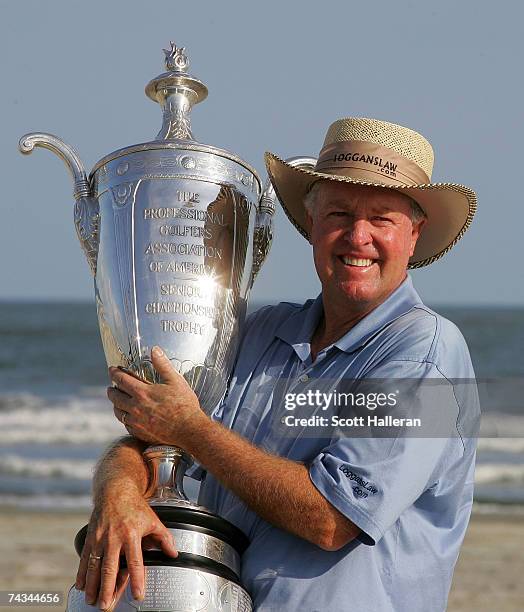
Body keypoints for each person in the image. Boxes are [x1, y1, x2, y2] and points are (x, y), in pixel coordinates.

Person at [75, 117, 479, 611]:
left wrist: (193, 430)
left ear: (413, 235)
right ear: (311, 224)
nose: (358, 235)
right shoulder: (258, 332)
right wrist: (117, 493)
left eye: (382, 219)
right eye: (339, 213)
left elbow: (332, 519)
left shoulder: (428, 353)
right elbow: (153, 435)